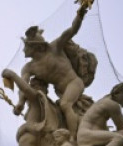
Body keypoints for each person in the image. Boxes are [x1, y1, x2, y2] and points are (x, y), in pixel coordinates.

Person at [17, 2, 93, 136]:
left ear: (36, 47)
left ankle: (75, 139)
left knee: (65, 105)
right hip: (61, 92)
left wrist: (80, 14)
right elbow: (23, 85)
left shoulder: (55, 48)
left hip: (74, 83)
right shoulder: (29, 67)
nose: (23, 49)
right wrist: (21, 103)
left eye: (26, 46)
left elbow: (72, 30)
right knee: (60, 109)